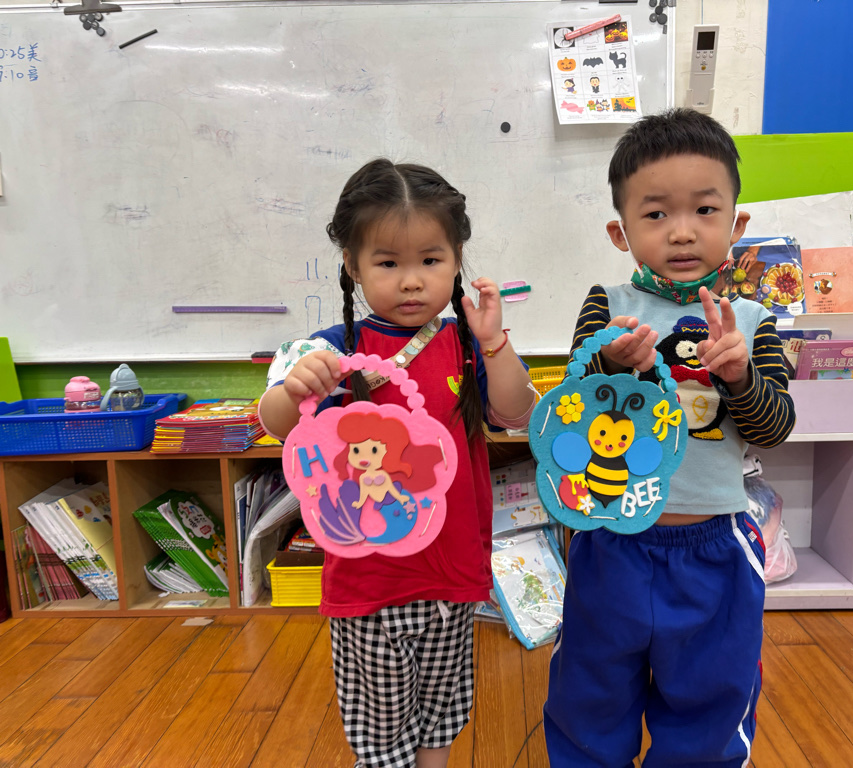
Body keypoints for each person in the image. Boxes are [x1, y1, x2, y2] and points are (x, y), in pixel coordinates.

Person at [259, 158, 536, 768]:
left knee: (444, 708)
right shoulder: (334, 348)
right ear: (352, 266)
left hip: (454, 569)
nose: (412, 281)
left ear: (456, 261)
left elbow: (516, 412)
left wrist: (494, 342)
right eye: (388, 263)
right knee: (381, 728)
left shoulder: (467, 343)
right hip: (370, 577)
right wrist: (297, 385)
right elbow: (275, 422)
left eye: (431, 260)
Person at [544, 108, 796, 767]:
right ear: (621, 231)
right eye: (656, 214)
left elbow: (775, 429)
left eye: (705, 210)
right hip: (610, 540)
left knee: (711, 699)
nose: (682, 231)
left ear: (736, 224)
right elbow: (567, 417)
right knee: (589, 697)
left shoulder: (751, 320)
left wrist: (739, 376)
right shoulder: (607, 305)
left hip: (715, 545)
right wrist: (607, 366)